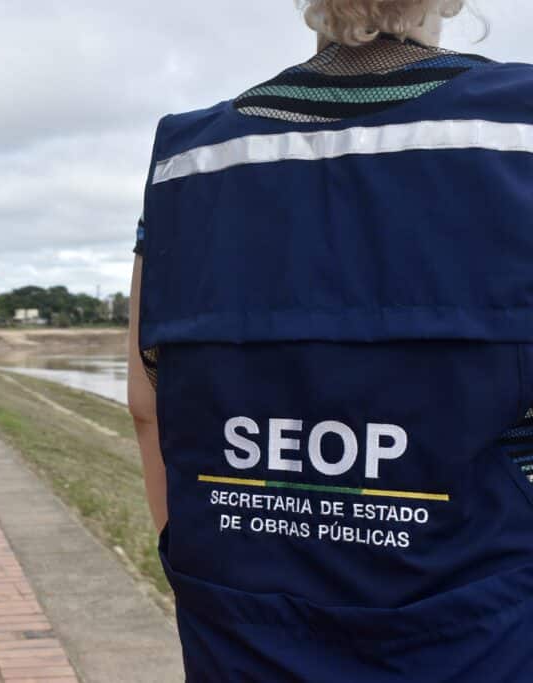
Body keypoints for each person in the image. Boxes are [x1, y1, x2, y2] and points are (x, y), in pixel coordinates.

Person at [128, 2, 533, 680]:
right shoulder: (516, 127)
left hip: (238, 631)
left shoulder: (187, 157)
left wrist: (200, 565)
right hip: (482, 634)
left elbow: (149, 406)